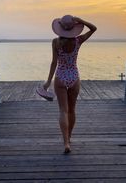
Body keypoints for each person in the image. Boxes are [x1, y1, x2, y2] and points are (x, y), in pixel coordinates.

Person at [43, 15, 97, 153]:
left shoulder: (55, 42)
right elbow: (94, 28)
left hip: (60, 77)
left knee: (63, 111)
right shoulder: (78, 40)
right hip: (74, 77)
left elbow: (54, 63)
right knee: (72, 110)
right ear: (74, 28)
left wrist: (48, 81)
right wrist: (81, 20)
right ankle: (70, 137)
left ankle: (66, 142)